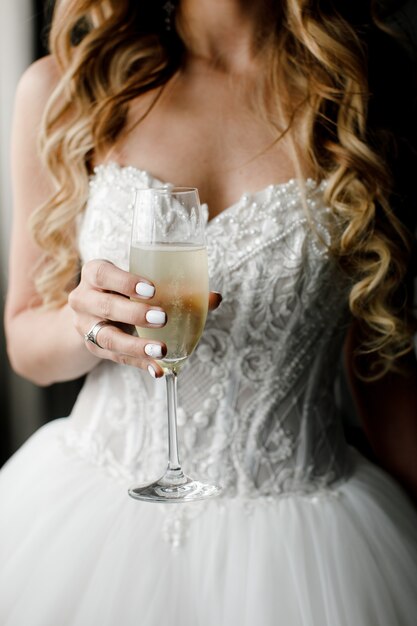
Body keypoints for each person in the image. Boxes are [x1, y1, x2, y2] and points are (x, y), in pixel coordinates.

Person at [1, 0, 417, 624]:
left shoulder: (367, 98)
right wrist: (84, 322)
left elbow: (380, 367)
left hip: (302, 553)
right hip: (98, 516)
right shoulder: (68, 87)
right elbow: (25, 344)